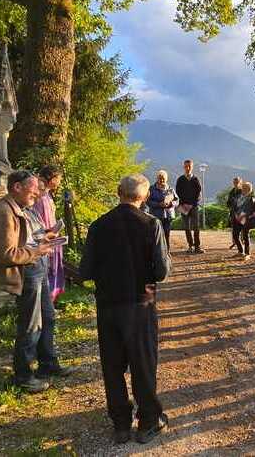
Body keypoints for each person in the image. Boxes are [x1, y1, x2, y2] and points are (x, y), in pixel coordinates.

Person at [79, 174, 171, 445]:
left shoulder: (98, 226)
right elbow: (162, 271)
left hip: (108, 305)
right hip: (140, 304)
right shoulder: (151, 224)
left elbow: (85, 271)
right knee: (143, 365)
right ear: (143, 197)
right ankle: (148, 423)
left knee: (112, 365)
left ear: (119, 192)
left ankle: (120, 424)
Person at [0, 170, 75, 394]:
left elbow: (25, 239)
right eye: (33, 191)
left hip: (36, 269)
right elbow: (5, 254)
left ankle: (47, 364)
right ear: (17, 187)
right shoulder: (5, 212)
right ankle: (23, 375)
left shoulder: (21, 209)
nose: (36, 194)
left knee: (48, 317)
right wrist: (37, 250)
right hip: (27, 272)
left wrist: (43, 239)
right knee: (31, 323)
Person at [33, 165, 65, 303]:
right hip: (46, 237)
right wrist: (50, 230)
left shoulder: (47, 195)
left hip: (52, 234)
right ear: (51, 178)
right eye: (58, 178)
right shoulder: (40, 197)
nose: (59, 182)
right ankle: (47, 300)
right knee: (48, 269)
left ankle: (52, 299)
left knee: (53, 268)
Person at [175, 159, 204, 254]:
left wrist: (192, 204)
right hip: (183, 205)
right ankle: (190, 246)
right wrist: (184, 204)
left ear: (192, 167)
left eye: (189, 166)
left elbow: (198, 193)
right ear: (183, 167)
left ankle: (197, 246)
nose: (187, 168)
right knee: (186, 227)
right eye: (186, 166)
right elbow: (178, 192)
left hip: (194, 206)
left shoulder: (196, 179)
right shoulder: (180, 179)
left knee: (196, 227)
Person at [146, 170, 179, 251]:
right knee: (156, 235)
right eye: (160, 178)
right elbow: (147, 201)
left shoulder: (170, 189)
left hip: (168, 216)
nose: (161, 180)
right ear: (157, 178)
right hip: (156, 216)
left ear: (166, 179)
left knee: (167, 235)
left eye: (163, 178)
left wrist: (171, 204)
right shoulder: (151, 189)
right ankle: (156, 252)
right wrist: (158, 204)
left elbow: (177, 201)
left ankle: (167, 252)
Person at [232, 181, 255, 260]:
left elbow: (250, 210)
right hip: (236, 218)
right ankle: (240, 251)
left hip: (245, 219)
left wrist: (241, 216)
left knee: (245, 236)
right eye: (243, 188)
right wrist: (236, 215)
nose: (244, 190)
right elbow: (234, 207)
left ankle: (247, 253)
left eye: (246, 188)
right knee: (235, 235)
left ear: (250, 190)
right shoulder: (238, 197)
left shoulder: (251, 199)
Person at [226, 177, 243, 250]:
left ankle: (241, 242)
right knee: (234, 229)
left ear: (240, 182)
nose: (235, 184)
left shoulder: (242, 191)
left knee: (241, 229)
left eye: (237, 182)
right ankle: (234, 242)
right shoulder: (232, 191)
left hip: (240, 213)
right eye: (234, 182)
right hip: (233, 212)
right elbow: (228, 202)